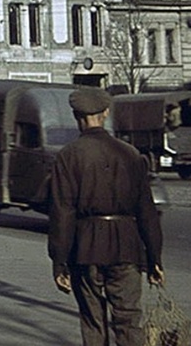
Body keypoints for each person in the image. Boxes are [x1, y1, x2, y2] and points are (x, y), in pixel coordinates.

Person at [48, 87, 164, 346]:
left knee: (92, 320)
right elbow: (146, 211)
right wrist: (155, 258)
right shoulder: (130, 154)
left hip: (85, 248)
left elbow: (62, 212)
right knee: (128, 319)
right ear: (106, 113)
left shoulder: (68, 156)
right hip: (126, 247)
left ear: (77, 117)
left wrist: (59, 262)